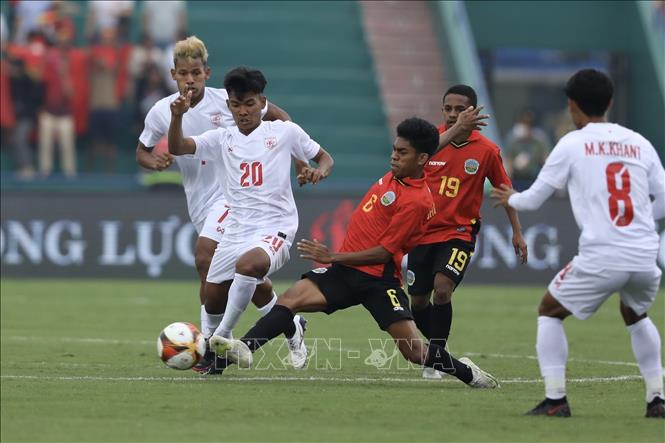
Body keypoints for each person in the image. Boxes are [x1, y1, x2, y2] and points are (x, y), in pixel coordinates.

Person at [209, 117, 499, 389]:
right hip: (345, 274)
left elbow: (384, 253)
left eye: (402, 152)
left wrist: (332, 257)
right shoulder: (398, 174)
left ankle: (468, 373)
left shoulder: (416, 202)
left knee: (413, 351)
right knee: (289, 300)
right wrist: (455, 128)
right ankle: (241, 350)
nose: (394, 156)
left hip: (378, 281)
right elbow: (428, 146)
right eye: (394, 150)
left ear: (420, 160)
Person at [492, 69, 665, 418]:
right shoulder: (639, 142)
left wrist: (511, 198)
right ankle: (657, 399)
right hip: (646, 255)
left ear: (572, 106)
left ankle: (555, 400)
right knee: (635, 313)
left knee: (549, 311)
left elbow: (535, 199)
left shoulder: (572, 143)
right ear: (610, 103)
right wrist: (643, 217)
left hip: (603, 253)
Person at [137, 37, 301, 372]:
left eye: (196, 72)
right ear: (173, 74)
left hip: (233, 197)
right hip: (199, 203)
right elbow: (142, 149)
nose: (190, 80)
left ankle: (211, 347)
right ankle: (288, 321)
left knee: (204, 256)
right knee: (240, 274)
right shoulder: (162, 111)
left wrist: (298, 157)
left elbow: (281, 118)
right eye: (183, 73)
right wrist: (152, 162)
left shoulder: (227, 102)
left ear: (206, 73)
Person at [167, 66, 334, 371]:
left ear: (262, 102)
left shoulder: (283, 132)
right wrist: (177, 116)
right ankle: (278, 329)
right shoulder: (222, 138)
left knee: (249, 266)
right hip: (236, 229)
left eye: (249, 104)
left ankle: (223, 339)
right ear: (229, 105)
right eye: (235, 105)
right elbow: (178, 147)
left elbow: (324, 157)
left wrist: (317, 171)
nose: (243, 111)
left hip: (276, 226)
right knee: (213, 296)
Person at [407, 85, 528, 379]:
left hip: (459, 233)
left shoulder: (487, 151)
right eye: (447, 108)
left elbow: (504, 190)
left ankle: (434, 361)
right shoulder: (430, 143)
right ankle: (443, 356)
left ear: (472, 112)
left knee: (442, 289)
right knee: (419, 302)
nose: (452, 114)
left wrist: (517, 232)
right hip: (421, 234)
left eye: (459, 109)